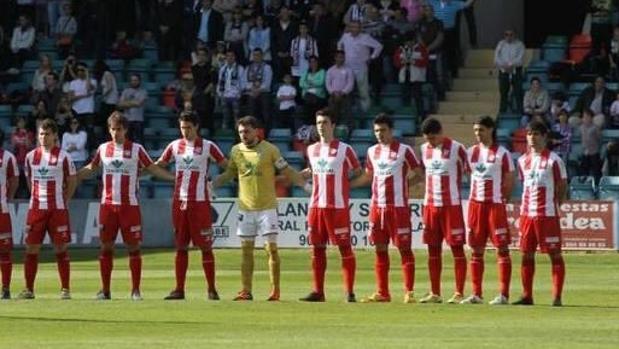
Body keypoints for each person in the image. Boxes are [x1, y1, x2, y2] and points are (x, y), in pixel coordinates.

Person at [77, 112, 175, 301]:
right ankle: (105, 290)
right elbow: (92, 167)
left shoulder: (137, 149)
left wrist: (173, 178)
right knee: (106, 247)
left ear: (126, 130)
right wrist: (73, 175)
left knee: (134, 248)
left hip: (129, 207)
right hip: (108, 206)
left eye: (119, 129)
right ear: (109, 130)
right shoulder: (103, 149)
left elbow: (152, 168)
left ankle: (136, 290)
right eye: (112, 129)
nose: (115, 133)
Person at [213, 115, 306, 301]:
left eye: (247, 131)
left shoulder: (270, 150)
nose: (243, 135)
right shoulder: (236, 151)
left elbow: (286, 171)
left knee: (271, 249)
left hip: (267, 208)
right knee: (246, 250)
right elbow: (230, 173)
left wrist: (305, 185)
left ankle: (275, 291)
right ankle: (246, 290)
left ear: (256, 131)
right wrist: (211, 184)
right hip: (245, 209)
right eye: (240, 132)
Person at [350, 114, 421, 303]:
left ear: (391, 131)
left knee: (404, 249)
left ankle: (409, 292)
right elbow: (368, 176)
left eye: (382, 130)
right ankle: (383, 292)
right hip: (377, 207)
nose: (379, 134)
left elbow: (420, 172)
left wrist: (406, 185)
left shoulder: (404, 150)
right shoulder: (372, 151)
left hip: (398, 208)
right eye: (376, 131)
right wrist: (348, 186)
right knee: (380, 249)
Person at [156, 112, 228, 301]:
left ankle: (212, 289)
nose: (185, 131)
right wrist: (138, 172)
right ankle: (179, 289)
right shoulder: (174, 146)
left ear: (196, 127)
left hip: (200, 203)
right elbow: (159, 165)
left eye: (188, 127)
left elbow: (226, 165)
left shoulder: (208, 146)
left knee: (205, 247)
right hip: (179, 203)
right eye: (182, 128)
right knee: (180, 247)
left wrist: (216, 181)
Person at [299, 108, 362, 303]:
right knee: (317, 248)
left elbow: (357, 170)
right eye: (318, 123)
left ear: (333, 125)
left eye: (325, 122)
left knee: (344, 248)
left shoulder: (345, 149)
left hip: (337, 206)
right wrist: (302, 175)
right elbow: (313, 169)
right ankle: (318, 291)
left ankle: (350, 292)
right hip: (316, 206)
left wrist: (344, 185)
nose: (321, 126)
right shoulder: (311, 149)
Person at [18, 119, 77, 300]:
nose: (44, 137)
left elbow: (72, 180)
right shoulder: (30, 157)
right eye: (41, 134)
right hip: (36, 209)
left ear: (55, 136)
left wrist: (65, 199)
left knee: (60, 248)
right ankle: (29, 289)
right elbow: (30, 181)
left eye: (47, 134)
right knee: (31, 248)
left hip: (57, 209)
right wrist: (36, 198)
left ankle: (65, 289)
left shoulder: (64, 157)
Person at [460, 116, 514, 305]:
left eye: (481, 130)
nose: (478, 134)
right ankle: (476, 294)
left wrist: (501, 200)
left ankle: (504, 295)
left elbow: (509, 180)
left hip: (495, 205)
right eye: (475, 130)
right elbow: (468, 175)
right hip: (475, 205)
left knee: (502, 248)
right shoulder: (470, 153)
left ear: (491, 130)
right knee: (475, 249)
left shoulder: (502, 153)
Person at [514, 120, 567, 307]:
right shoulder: (522, 160)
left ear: (544, 137)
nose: (532, 137)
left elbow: (562, 186)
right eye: (529, 134)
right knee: (526, 254)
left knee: (554, 254)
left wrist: (555, 204)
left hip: (547, 215)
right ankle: (527, 295)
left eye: (536, 134)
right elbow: (524, 185)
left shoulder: (554, 160)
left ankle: (557, 296)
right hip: (527, 214)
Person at [418, 118, 469, 304]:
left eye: (433, 138)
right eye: (427, 139)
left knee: (457, 249)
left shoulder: (457, 148)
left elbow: (471, 170)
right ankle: (435, 292)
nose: (430, 142)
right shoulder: (424, 150)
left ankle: (459, 292)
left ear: (441, 133)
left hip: (451, 205)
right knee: (433, 250)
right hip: (430, 205)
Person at [337, 20, 383, 113]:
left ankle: (366, 111)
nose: (354, 29)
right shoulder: (345, 36)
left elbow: (379, 46)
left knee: (363, 91)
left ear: (360, 28)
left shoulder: (365, 37)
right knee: (347, 90)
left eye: (356, 27)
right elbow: (339, 44)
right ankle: (349, 111)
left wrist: (372, 57)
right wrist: (341, 56)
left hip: (361, 67)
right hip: (347, 67)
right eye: (352, 27)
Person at [0, 130, 19, 299]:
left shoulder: (8, 158)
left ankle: (5, 288)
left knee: (4, 251)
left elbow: (14, 180)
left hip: (2, 211)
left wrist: (8, 198)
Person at [394, 33, 429, 119]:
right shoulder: (400, 50)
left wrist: (413, 61)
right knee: (405, 96)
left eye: (411, 42)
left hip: (417, 77)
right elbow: (396, 63)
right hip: (404, 76)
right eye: (407, 42)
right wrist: (403, 62)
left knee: (418, 97)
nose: (409, 44)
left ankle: (421, 115)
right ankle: (408, 115)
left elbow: (425, 62)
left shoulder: (421, 49)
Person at [495, 29, 525, 114]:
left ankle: (520, 112)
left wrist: (511, 65)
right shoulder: (501, 44)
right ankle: (502, 113)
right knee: (503, 93)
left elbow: (520, 59)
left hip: (516, 71)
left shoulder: (520, 44)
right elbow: (496, 59)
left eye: (511, 34)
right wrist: (504, 66)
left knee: (518, 93)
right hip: (503, 71)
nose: (508, 37)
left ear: (514, 35)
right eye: (506, 34)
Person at [67, 62, 97, 147]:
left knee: (90, 131)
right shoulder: (73, 83)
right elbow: (70, 98)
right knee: (78, 131)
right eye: (78, 70)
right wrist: (83, 95)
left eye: (82, 70)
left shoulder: (93, 81)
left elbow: (88, 88)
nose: (80, 72)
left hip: (88, 110)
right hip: (76, 110)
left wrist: (87, 74)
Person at [325, 50, 355, 133]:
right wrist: (333, 92)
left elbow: (350, 83)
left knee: (348, 109)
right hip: (333, 94)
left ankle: (350, 129)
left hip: (345, 94)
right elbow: (328, 84)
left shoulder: (349, 70)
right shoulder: (330, 70)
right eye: (338, 57)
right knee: (331, 110)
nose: (340, 59)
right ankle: (332, 128)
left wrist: (343, 92)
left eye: (342, 57)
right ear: (335, 58)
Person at [217, 50, 246, 129]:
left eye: (231, 56)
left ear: (234, 57)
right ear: (226, 57)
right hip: (225, 94)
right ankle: (225, 127)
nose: (230, 58)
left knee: (236, 113)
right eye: (228, 56)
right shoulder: (223, 69)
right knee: (225, 113)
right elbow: (220, 82)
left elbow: (243, 83)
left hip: (235, 95)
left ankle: (237, 127)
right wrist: (220, 93)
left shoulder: (240, 69)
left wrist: (239, 93)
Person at [245, 48, 273, 127]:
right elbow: (244, 83)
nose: (256, 57)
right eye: (254, 55)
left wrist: (258, 90)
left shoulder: (267, 67)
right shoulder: (248, 68)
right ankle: (251, 127)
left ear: (262, 56)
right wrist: (252, 89)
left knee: (265, 102)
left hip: (263, 92)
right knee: (250, 102)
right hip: (251, 92)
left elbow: (267, 84)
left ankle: (265, 128)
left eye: (258, 55)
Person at [117, 73, 147, 144]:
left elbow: (139, 103)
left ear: (139, 81)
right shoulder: (125, 91)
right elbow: (120, 104)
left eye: (136, 80)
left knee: (140, 141)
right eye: (132, 80)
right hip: (127, 120)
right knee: (127, 141)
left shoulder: (143, 92)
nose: (134, 82)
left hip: (138, 120)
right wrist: (133, 102)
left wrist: (126, 103)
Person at [93, 60, 119, 137]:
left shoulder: (107, 74)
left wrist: (103, 96)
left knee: (106, 121)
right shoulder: (108, 74)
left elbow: (109, 87)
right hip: (109, 101)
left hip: (109, 101)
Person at [299, 56, 326, 127]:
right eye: (311, 62)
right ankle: (311, 124)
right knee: (309, 98)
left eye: (314, 61)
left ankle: (310, 124)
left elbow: (320, 82)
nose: (313, 63)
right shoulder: (306, 72)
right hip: (307, 96)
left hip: (318, 95)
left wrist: (309, 83)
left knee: (310, 101)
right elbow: (301, 83)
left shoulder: (322, 71)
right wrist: (313, 84)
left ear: (317, 62)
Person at [579, 109, 603, 183]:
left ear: (591, 117)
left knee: (596, 170)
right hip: (585, 152)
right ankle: (584, 184)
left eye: (586, 117)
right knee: (584, 169)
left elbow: (599, 139)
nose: (584, 118)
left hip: (594, 152)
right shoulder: (581, 127)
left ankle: (597, 184)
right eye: (584, 117)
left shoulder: (595, 128)